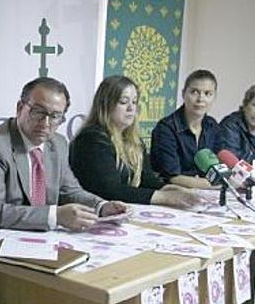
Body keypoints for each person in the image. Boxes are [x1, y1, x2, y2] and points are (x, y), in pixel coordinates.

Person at [0, 77, 129, 231]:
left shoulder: (59, 144)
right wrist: (55, 216)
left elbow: (69, 191)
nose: (45, 123)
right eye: (39, 112)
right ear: (20, 108)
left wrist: (102, 206)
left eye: (55, 116)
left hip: (40, 240)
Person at [69, 76, 201, 208]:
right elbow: (110, 190)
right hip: (93, 213)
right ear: (105, 104)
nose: (131, 108)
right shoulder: (92, 139)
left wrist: (168, 189)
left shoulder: (133, 140)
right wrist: (163, 197)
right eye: (123, 102)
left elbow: (146, 179)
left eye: (134, 102)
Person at [150, 69, 221, 189]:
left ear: (214, 97)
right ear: (183, 94)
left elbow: (218, 164)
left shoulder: (212, 125)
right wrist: (211, 184)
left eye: (207, 93)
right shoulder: (166, 128)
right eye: (194, 92)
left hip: (207, 193)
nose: (200, 99)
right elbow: (171, 176)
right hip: (172, 193)